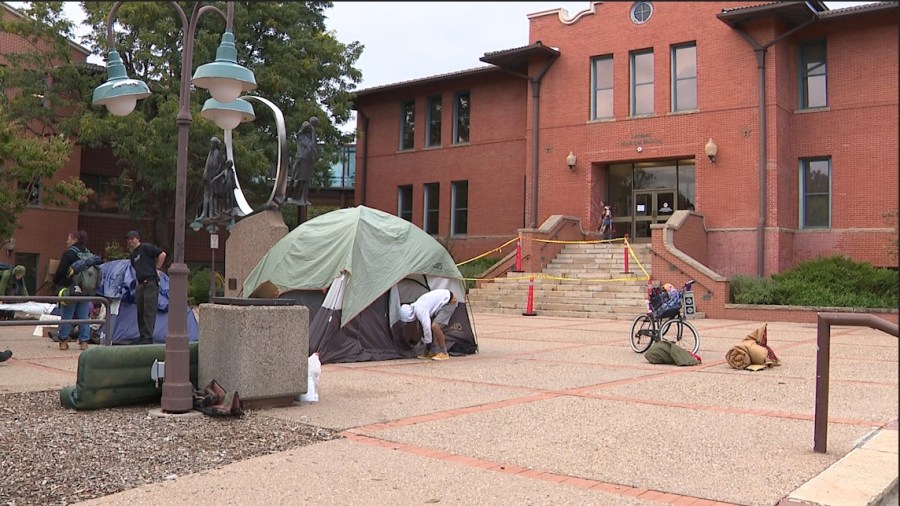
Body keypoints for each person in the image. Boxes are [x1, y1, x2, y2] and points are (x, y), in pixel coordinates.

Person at [53, 230, 94, 350]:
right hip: (85, 290)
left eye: (69, 238)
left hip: (70, 289)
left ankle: (64, 341)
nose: (67, 241)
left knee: (67, 315)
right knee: (84, 316)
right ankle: (84, 342)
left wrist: (57, 283)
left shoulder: (69, 254)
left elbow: (61, 271)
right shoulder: (88, 254)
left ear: (75, 239)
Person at [126, 230, 166, 344]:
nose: (130, 241)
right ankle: (142, 336)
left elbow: (162, 254)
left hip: (150, 282)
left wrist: (157, 269)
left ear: (138, 239)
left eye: (132, 239)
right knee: (140, 311)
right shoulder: (133, 255)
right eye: (128, 239)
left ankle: (148, 337)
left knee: (149, 310)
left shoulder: (146, 247)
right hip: (140, 284)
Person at [398, 288, 458, 361]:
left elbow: (426, 327)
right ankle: (433, 352)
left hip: (449, 301)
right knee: (432, 326)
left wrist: (428, 344)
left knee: (435, 326)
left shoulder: (419, 310)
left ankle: (444, 353)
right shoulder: (416, 306)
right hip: (445, 298)